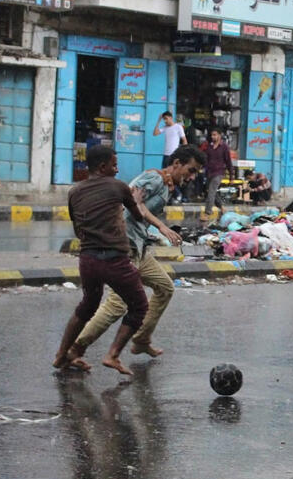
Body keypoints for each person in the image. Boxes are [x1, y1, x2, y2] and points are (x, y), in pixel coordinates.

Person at [73, 145, 204, 363]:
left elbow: (141, 208)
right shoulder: (154, 178)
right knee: (117, 304)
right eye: (191, 170)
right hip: (126, 244)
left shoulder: (166, 186)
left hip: (139, 246)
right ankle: (76, 348)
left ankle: (141, 339)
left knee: (164, 288)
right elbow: (132, 201)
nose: (192, 177)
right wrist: (161, 227)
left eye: (196, 173)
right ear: (177, 164)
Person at [53, 144, 150, 376]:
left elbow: (78, 229)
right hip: (115, 260)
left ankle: (61, 356)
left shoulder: (74, 192)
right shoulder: (119, 187)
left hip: (87, 260)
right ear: (103, 166)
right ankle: (113, 355)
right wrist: (136, 200)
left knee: (87, 306)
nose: (117, 170)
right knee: (139, 306)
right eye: (115, 165)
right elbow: (138, 217)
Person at [200, 128, 234, 222]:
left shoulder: (224, 147)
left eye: (215, 135)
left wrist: (231, 176)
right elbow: (206, 159)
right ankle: (222, 207)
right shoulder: (209, 147)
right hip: (209, 173)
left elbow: (228, 162)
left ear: (219, 135)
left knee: (211, 191)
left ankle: (207, 213)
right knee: (210, 191)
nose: (213, 137)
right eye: (212, 135)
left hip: (219, 173)